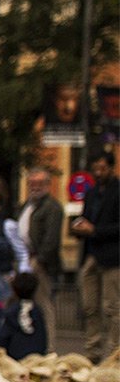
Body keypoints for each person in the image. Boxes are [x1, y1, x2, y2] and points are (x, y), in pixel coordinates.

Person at [72, 149, 120, 360]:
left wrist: (95, 230)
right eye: (95, 169)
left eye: (102, 168)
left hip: (113, 258)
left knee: (112, 307)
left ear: (111, 167)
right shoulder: (91, 193)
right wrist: (78, 227)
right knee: (90, 306)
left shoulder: (118, 191)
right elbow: (85, 217)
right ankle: (93, 350)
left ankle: (115, 352)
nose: (98, 173)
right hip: (91, 254)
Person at [18, 168, 65, 346]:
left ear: (47, 185)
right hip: (23, 259)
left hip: (40, 263)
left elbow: (51, 239)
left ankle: (49, 347)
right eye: (32, 184)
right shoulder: (26, 205)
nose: (34, 187)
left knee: (44, 305)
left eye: (39, 184)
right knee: (22, 305)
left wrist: (39, 261)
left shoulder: (52, 207)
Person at [0, 271, 48, 360]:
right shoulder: (37, 310)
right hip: (36, 358)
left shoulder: (11, 311)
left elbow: (3, 338)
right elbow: (43, 336)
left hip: (15, 358)